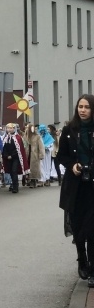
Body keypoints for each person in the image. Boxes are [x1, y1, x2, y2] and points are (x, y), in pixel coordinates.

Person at [58, 95, 94, 283]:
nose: (83, 110)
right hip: (76, 186)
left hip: (92, 185)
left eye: (87, 107)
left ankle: (93, 269)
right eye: (80, 106)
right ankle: (82, 260)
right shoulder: (69, 129)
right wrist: (73, 165)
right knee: (79, 227)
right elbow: (61, 156)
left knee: (92, 229)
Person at [1, 123, 28, 193]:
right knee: (10, 171)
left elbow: (19, 149)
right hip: (7, 158)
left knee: (14, 171)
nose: (9, 130)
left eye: (11, 128)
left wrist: (12, 156)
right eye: (8, 128)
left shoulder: (18, 137)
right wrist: (6, 155)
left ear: (14, 129)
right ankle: (13, 184)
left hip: (16, 158)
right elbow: (4, 148)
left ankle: (15, 187)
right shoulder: (5, 138)